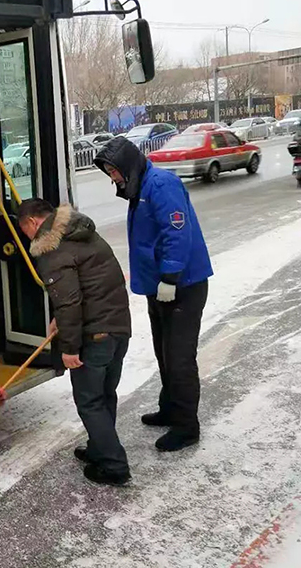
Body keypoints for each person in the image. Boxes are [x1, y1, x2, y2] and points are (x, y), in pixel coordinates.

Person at [94, 137, 213, 452]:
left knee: (179, 358)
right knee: (164, 352)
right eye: (109, 173)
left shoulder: (161, 185)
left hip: (183, 286)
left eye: (114, 171)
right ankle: (170, 408)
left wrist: (171, 276)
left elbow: (177, 232)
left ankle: (186, 426)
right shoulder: (141, 187)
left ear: (128, 165)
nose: (113, 178)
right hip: (159, 288)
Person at [17, 199, 132, 486]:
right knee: (104, 394)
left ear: (32, 222)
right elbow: (90, 286)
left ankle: (113, 465)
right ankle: (99, 448)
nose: (28, 238)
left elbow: (68, 302)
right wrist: (61, 318)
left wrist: (69, 349)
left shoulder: (51, 247)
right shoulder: (81, 232)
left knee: (90, 401)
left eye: (24, 231)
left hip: (95, 336)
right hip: (118, 328)